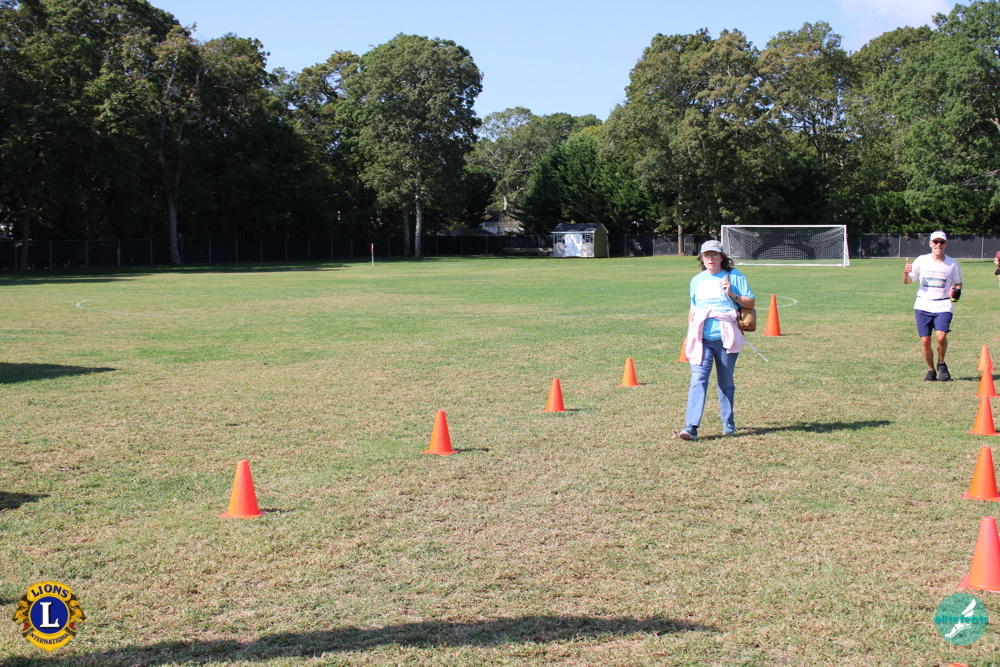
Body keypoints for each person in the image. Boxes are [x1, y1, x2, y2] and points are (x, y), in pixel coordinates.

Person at [675, 240, 755, 441]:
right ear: (701, 258)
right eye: (706, 255)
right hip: (701, 339)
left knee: (725, 382)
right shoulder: (696, 280)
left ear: (721, 257)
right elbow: (693, 309)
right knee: (698, 380)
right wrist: (689, 335)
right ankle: (690, 427)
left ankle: (728, 424)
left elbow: (750, 302)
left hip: (726, 338)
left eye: (714, 255)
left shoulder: (734, 276)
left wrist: (731, 293)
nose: (710, 258)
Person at [903, 231, 962, 381]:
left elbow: (958, 284)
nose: (938, 245)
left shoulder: (952, 263)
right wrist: (905, 273)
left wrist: (955, 292)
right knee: (925, 340)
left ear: (945, 244)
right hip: (923, 304)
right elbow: (907, 281)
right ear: (930, 244)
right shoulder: (922, 260)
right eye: (935, 242)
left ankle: (941, 363)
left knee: (941, 337)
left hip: (943, 304)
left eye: (941, 242)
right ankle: (931, 370)